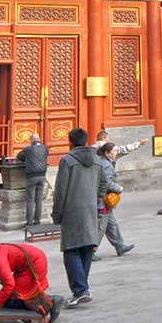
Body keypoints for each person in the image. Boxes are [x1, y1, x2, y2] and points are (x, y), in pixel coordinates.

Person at [51, 127, 108, 307]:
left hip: (72, 210)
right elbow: (103, 184)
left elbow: (60, 190)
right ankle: (82, 288)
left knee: (71, 250)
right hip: (90, 210)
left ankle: (80, 289)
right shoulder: (98, 161)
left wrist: (57, 213)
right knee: (86, 248)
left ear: (70, 142)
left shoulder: (67, 161)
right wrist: (96, 201)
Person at [93, 142, 135, 260]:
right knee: (100, 226)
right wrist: (119, 188)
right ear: (107, 153)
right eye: (114, 151)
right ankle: (91, 251)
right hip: (103, 200)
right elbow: (106, 182)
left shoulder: (105, 162)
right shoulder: (105, 164)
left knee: (111, 225)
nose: (116, 153)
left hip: (104, 201)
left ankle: (120, 246)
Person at [16, 133, 50, 226]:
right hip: (42, 175)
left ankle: (29, 222)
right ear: (39, 139)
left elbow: (19, 156)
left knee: (30, 199)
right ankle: (37, 221)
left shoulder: (29, 149)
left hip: (32, 176)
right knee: (38, 199)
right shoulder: (45, 148)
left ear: (31, 140)